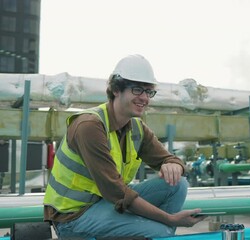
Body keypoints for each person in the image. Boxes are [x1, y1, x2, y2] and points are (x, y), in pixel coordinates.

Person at [43, 54, 206, 239]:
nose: (144, 98)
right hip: (72, 216)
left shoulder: (136, 128)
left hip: (105, 204)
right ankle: (159, 232)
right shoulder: (89, 126)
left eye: (148, 92)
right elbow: (118, 192)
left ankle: (156, 232)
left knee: (178, 185)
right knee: (161, 231)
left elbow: (169, 159)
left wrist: (174, 165)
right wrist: (169, 219)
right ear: (116, 90)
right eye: (137, 90)